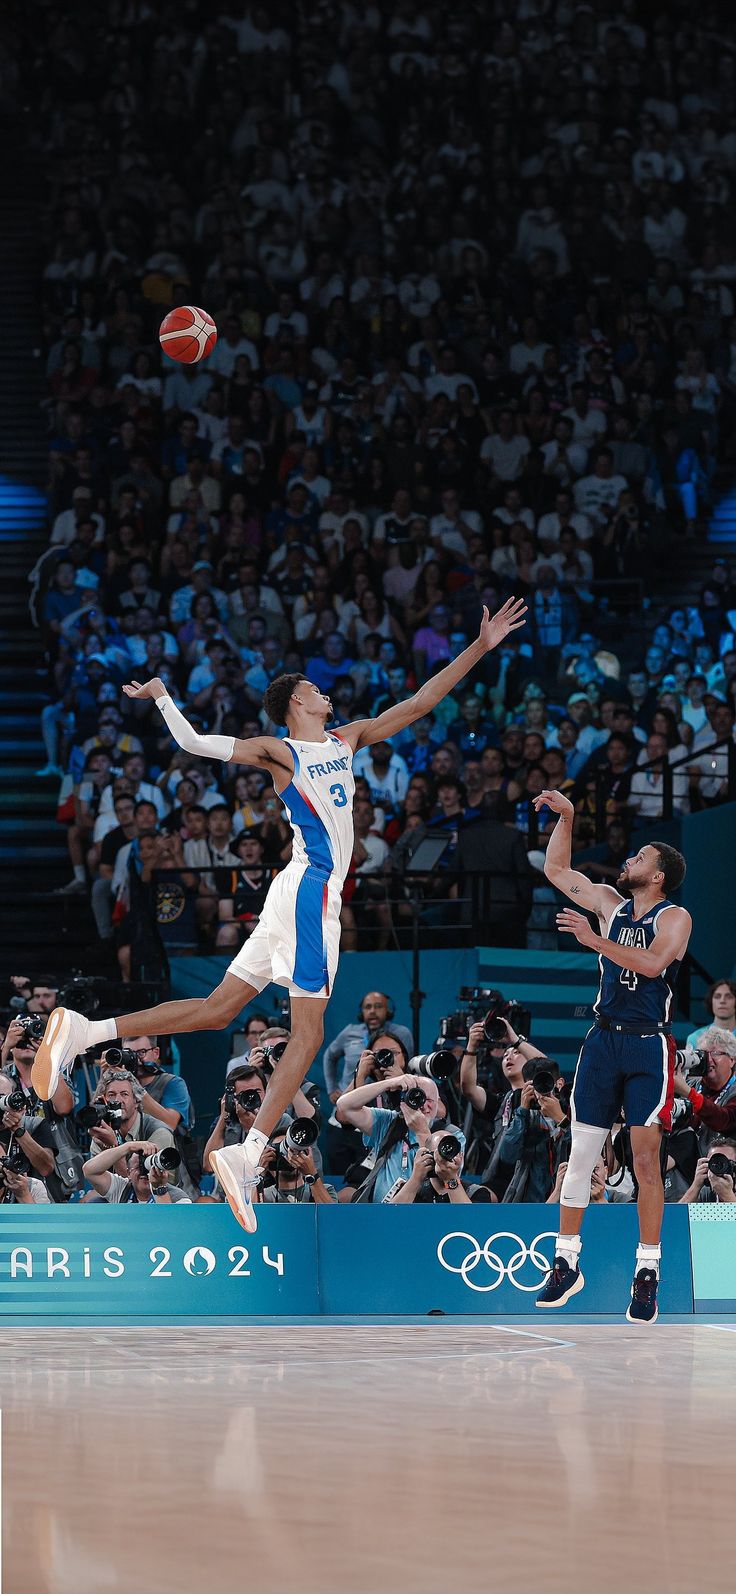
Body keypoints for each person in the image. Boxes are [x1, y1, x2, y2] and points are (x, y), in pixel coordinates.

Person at [33, 598, 526, 1233]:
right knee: (311, 1033)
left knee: (216, 1012)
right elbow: (194, 742)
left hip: (293, 894)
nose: (326, 692)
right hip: (310, 891)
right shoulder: (282, 751)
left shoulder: (348, 737)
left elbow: (420, 703)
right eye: (315, 689)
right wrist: (162, 697)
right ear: (297, 702)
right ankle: (248, 1151)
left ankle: (85, 1034)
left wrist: (481, 648)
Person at [533, 787, 690, 1324]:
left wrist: (594, 941)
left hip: (648, 1043)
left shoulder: (675, 918)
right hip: (603, 1039)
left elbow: (651, 966)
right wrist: (570, 816)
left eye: (641, 857)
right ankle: (566, 1261)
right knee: (580, 1154)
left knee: (646, 1160)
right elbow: (557, 869)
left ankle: (647, 1272)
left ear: (660, 875)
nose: (630, 860)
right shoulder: (608, 903)